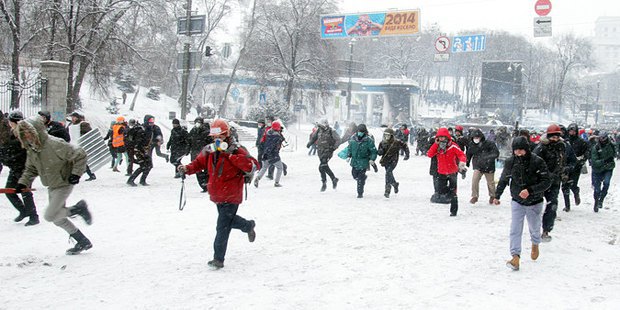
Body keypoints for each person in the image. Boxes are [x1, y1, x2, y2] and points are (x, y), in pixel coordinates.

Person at [177, 119, 257, 269]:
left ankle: (218, 259)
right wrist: (187, 169)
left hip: (232, 194)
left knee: (222, 227)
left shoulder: (236, 149)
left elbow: (251, 165)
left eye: (219, 137)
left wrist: (230, 155)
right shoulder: (210, 149)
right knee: (227, 221)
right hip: (217, 194)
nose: (216, 140)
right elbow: (199, 163)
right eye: (214, 137)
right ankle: (248, 225)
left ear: (226, 135)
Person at [14, 117, 93, 255]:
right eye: (23, 133)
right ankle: (82, 241)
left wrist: (76, 174)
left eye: (29, 132)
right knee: (57, 219)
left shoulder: (54, 144)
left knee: (50, 216)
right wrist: (23, 183)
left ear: (37, 131)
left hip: (64, 182)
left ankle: (78, 209)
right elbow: (31, 169)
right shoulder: (32, 149)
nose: (27, 135)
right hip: (52, 184)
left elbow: (80, 154)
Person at [493, 137, 550, 271]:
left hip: (534, 202)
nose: (518, 153)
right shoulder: (510, 162)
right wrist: (497, 195)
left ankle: (535, 243)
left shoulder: (537, 161)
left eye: (521, 150)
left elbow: (546, 181)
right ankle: (515, 256)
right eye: (516, 150)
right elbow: (504, 179)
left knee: (534, 227)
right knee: (515, 229)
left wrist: (530, 190)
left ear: (527, 149)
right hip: (517, 200)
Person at [533, 124, 575, 242]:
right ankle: (535, 229)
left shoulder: (562, 147)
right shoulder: (540, 148)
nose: (554, 139)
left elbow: (569, 160)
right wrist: (544, 174)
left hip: (555, 181)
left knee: (552, 205)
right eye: (552, 137)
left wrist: (566, 169)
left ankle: (546, 230)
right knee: (536, 206)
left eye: (557, 137)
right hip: (540, 182)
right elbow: (534, 164)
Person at [1, 111, 39, 226]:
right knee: (9, 191)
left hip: (25, 169)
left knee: (25, 192)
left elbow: (23, 151)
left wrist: (7, 157)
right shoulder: (12, 132)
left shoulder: (23, 133)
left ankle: (34, 217)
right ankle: (23, 211)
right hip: (15, 167)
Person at [427, 127, 467, 216]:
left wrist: (462, 163)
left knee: (453, 193)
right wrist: (435, 145)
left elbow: (461, 155)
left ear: (447, 137)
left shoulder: (453, 146)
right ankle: (449, 193)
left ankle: (453, 211)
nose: (441, 139)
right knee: (441, 190)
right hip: (441, 172)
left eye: (443, 137)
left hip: (452, 172)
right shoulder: (437, 147)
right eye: (439, 137)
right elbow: (429, 154)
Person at [343, 124, 377, 198]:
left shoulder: (368, 140)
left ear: (364, 132)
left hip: (363, 161)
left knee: (360, 179)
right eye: (359, 131)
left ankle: (360, 193)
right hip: (354, 161)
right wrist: (349, 155)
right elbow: (350, 148)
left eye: (361, 131)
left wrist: (372, 159)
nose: (360, 133)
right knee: (354, 175)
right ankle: (363, 178)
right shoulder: (353, 139)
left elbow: (373, 151)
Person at [466, 129, 499, 204]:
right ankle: (475, 196)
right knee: (475, 180)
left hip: (489, 166)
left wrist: (487, 157)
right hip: (478, 166)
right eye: (474, 137)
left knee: (490, 183)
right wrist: (467, 161)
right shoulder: (472, 144)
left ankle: (492, 196)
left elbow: (496, 153)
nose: (476, 139)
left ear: (481, 137)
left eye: (477, 137)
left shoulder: (489, 144)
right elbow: (469, 153)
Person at [306, 119, 340, 192]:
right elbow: (314, 138)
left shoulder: (331, 131)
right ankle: (334, 179)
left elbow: (338, 140)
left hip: (328, 151)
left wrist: (334, 147)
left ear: (326, 124)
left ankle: (324, 183)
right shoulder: (319, 130)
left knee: (322, 165)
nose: (321, 127)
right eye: (320, 126)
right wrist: (310, 143)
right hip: (320, 151)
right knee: (322, 167)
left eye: (322, 126)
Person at [562, 123, 590, 211]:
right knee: (564, 186)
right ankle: (567, 206)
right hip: (566, 166)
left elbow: (586, 153)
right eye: (570, 131)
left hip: (576, 166)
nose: (572, 133)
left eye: (573, 131)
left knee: (572, 185)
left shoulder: (581, 142)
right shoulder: (565, 142)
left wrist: (581, 160)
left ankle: (576, 192)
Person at [377, 128, 409, 198]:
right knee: (388, 174)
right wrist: (380, 151)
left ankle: (387, 190)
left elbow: (405, 146)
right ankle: (394, 184)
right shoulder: (382, 143)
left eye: (388, 135)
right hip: (385, 160)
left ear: (391, 136)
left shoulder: (396, 142)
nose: (386, 137)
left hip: (393, 160)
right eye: (385, 135)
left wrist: (407, 155)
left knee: (388, 172)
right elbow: (379, 152)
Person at [67, 111, 96, 181]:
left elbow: (89, 133)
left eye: (74, 117)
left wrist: (83, 137)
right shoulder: (70, 125)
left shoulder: (83, 124)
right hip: (73, 145)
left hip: (82, 145)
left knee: (82, 161)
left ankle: (91, 174)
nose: (73, 119)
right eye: (72, 117)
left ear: (77, 118)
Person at [590, 132, 616, 212]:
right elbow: (594, 161)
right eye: (601, 139)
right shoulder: (596, 147)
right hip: (597, 170)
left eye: (604, 138)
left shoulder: (611, 145)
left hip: (608, 168)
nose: (603, 140)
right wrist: (604, 161)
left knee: (606, 183)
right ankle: (596, 201)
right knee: (597, 189)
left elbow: (614, 153)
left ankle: (601, 199)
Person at [254, 121, 285, 187]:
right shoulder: (276, 136)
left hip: (266, 154)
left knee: (264, 167)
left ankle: (257, 178)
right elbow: (281, 140)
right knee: (280, 168)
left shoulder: (268, 133)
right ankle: (276, 183)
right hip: (273, 155)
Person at [187, 116, 212, 192]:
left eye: (199, 122)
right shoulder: (193, 131)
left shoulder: (207, 132)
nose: (197, 124)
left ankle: (207, 184)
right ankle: (203, 185)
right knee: (197, 170)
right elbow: (189, 141)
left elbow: (210, 142)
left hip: (205, 153)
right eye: (196, 122)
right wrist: (188, 150)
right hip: (195, 153)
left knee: (207, 170)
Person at [126, 118, 152, 186]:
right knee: (143, 166)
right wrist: (141, 152)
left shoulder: (146, 129)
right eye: (150, 122)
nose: (151, 123)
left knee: (148, 165)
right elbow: (138, 143)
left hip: (141, 150)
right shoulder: (141, 131)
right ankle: (131, 180)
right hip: (139, 151)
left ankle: (142, 180)